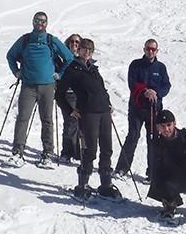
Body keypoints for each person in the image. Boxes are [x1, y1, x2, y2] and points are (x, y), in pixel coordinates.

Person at [4, 12, 75, 168]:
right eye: (37, 20)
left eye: (43, 21)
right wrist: (16, 71)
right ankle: (17, 152)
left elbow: (69, 58)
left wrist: (60, 74)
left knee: (47, 120)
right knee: (23, 118)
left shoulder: (51, 40)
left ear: (47, 23)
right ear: (33, 22)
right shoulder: (25, 40)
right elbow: (10, 56)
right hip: (28, 85)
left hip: (47, 86)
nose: (40, 23)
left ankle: (47, 154)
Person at [61, 38, 122, 201]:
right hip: (88, 114)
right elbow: (59, 94)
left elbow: (102, 89)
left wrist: (108, 103)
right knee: (90, 150)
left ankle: (106, 185)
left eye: (90, 49)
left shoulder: (94, 69)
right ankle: (83, 185)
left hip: (103, 112)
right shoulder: (73, 69)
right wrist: (70, 111)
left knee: (107, 148)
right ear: (78, 50)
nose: (87, 52)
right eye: (84, 49)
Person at [114, 38, 171, 179]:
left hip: (154, 109)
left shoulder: (161, 67)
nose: (150, 51)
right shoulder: (136, 65)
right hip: (137, 108)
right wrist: (145, 91)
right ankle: (122, 168)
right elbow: (132, 83)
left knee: (153, 139)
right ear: (144, 49)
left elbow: (166, 85)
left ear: (157, 51)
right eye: (148, 49)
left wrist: (156, 93)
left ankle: (152, 172)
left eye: (153, 49)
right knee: (132, 137)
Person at [55, 34, 83, 163]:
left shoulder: (83, 58)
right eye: (72, 41)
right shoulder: (62, 58)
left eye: (77, 42)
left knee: (80, 123)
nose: (74, 44)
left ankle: (77, 151)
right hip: (68, 93)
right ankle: (67, 152)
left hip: (81, 94)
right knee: (70, 121)